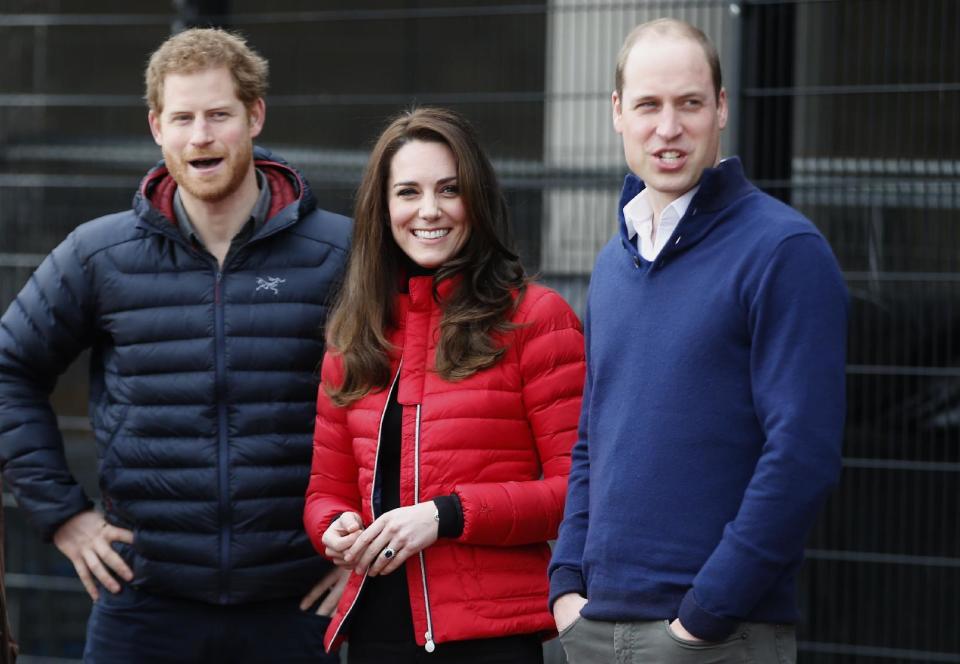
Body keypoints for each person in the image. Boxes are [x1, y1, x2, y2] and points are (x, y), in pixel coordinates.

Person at [0, 28, 350, 663]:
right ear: (156, 126)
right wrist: (62, 515)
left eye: (219, 115)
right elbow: (8, 369)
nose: (201, 136)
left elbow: (419, 399)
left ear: (254, 116)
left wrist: (367, 553)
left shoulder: (338, 254)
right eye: (183, 117)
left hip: (296, 603)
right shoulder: (98, 254)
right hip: (144, 602)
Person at [548, 18, 848, 664]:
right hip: (593, 629)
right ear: (617, 113)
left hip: (714, 638)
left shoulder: (783, 251)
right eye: (649, 106)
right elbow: (589, 440)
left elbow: (802, 454)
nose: (668, 128)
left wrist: (706, 613)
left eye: (689, 103)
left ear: (721, 109)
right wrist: (566, 583)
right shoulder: (612, 263)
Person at [303, 107, 585, 663]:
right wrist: (332, 528)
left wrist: (443, 516)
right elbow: (324, 490)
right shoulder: (353, 335)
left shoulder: (537, 319)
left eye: (449, 190)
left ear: (475, 201)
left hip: (491, 637)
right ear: (382, 210)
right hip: (375, 634)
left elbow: (576, 493)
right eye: (407, 192)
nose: (428, 210)